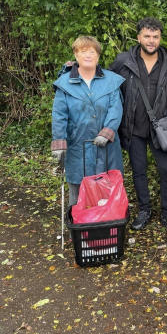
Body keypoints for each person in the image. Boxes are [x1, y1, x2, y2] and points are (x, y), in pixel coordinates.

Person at [109, 17, 167, 233]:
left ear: (160, 38)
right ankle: (144, 210)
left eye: (155, 36)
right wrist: (75, 69)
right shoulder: (123, 61)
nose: (151, 41)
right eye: (147, 36)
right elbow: (103, 80)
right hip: (133, 127)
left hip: (162, 128)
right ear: (138, 37)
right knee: (139, 170)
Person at [51, 36, 125, 208]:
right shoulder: (64, 84)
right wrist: (59, 143)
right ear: (76, 55)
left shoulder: (112, 80)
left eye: (92, 51)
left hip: (107, 147)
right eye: (83, 51)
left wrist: (107, 132)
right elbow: (59, 115)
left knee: (107, 189)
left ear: (98, 55)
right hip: (78, 146)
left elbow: (116, 108)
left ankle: (106, 228)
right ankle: (78, 230)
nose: (88, 55)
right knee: (77, 192)